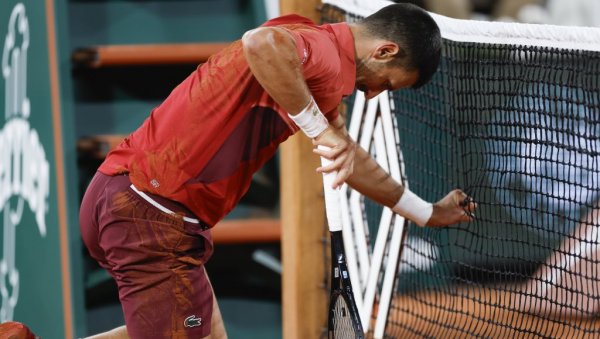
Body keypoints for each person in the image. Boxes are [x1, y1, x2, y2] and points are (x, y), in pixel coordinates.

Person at [79, 3, 477, 338]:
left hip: (117, 196)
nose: (373, 93)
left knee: (199, 331)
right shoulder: (316, 50)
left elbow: (348, 157)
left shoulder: (309, 53)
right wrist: (320, 129)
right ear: (385, 51)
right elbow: (261, 43)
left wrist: (424, 212)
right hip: (151, 215)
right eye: (386, 85)